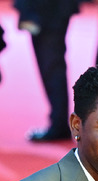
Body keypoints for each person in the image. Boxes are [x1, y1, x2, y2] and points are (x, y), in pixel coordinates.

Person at [15, 0, 79, 141]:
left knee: (51, 65)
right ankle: (58, 121)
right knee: (52, 65)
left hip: (46, 12)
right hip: (50, 12)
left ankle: (58, 123)